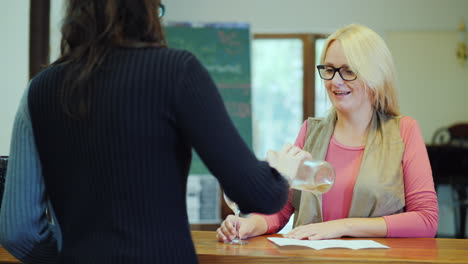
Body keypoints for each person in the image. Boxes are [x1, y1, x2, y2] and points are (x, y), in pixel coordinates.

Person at [0, 1, 301, 263]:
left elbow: (18, 230)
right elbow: (258, 195)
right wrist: (282, 174)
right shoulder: (177, 72)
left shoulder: (38, 91)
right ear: (147, 10)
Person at [217, 24, 439, 242]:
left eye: (349, 70)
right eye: (330, 69)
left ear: (375, 76)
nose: (335, 81)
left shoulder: (404, 131)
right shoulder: (310, 131)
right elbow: (283, 208)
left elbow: (426, 220)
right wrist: (248, 224)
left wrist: (340, 227)